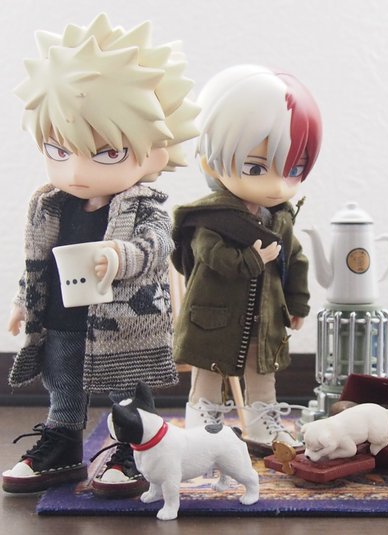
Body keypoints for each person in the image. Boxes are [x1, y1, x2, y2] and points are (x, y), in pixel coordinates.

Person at [2, 13, 199, 497]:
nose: (76, 170)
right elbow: (38, 262)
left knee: (127, 390)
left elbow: (158, 246)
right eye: (59, 149)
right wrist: (24, 302)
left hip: (123, 324)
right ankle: (63, 445)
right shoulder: (50, 205)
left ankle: (135, 450)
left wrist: (120, 256)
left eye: (107, 153)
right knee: (63, 383)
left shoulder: (143, 205)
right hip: (63, 318)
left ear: (154, 153)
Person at [172, 65, 321, 452]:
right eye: (256, 167)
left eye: (293, 168)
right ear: (211, 163)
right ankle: (203, 427)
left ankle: (262, 426)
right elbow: (210, 255)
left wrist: (297, 303)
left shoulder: (279, 218)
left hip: (264, 317)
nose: (277, 183)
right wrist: (253, 259)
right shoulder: (211, 218)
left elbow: (296, 259)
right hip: (214, 317)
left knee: (262, 374)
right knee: (208, 374)